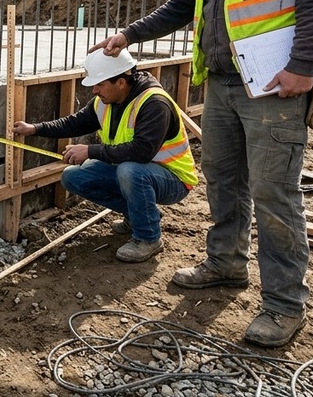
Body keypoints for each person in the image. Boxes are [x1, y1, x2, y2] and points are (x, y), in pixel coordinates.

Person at [91, 0, 313, 347]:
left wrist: (302, 66)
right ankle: (226, 263)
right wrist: (130, 34)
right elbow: (181, 7)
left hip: (272, 87)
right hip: (224, 84)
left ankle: (284, 305)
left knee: (273, 193)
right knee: (224, 181)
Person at [12, 49, 197, 263]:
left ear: (121, 82)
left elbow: (141, 152)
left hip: (174, 179)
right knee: (73, 176)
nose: (94, 91)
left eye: (99, 84)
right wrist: (34, 129)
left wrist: (89, 151)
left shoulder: (153, 103)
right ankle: (141, 216)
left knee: (130, 170)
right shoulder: (106, 101)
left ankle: (148, 238)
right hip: (135, 172)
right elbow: (75, 123)